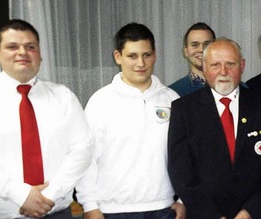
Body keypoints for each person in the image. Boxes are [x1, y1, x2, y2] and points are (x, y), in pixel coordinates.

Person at [0, 19, 93, 218]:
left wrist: (48, 194)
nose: (22, 52)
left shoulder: (63, 97)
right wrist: (21, 195)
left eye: (30, 47)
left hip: (56, 212)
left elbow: (82, 151)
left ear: (40, 54)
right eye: (12, 46)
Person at [75, 23, 185, 219]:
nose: (140, 63)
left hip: (163, 208)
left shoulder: (172, 99)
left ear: (155, 55)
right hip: (113, 211)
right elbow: (87, 158)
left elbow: (187, 156)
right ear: (118, 57)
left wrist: (183, 200)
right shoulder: (100, 101)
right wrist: (89, 206)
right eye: (132, 56)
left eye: (146, 55)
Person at [168, 38, 261, 219]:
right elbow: (181, 174)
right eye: (215, 65)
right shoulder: (183, 110)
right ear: (204, 67)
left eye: (230, 64)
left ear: (242, 65)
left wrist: (249, 212)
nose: (223, 72)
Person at [169, 22, 216, 96]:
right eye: (195, 45)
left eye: (206, 44)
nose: (201, 49)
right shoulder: (172, 92)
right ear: (186, 51)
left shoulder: (233, 87)